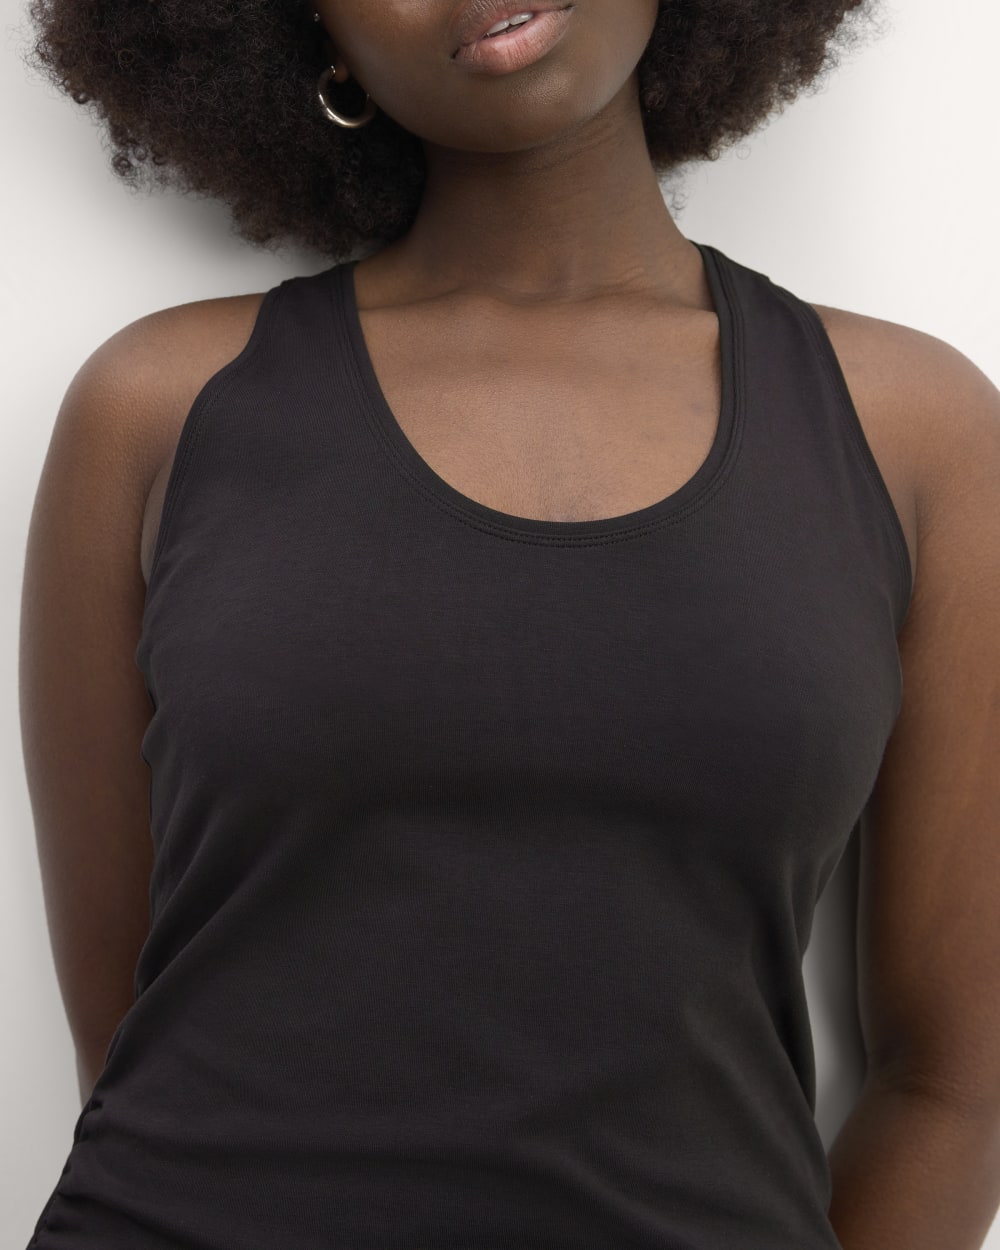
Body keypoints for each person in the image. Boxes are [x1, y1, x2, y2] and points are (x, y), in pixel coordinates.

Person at [18, 0, 1000, 1247]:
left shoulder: (915, 432)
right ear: (313, 35)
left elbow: (956, 1086)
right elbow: (125, 1036)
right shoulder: (156, 408)